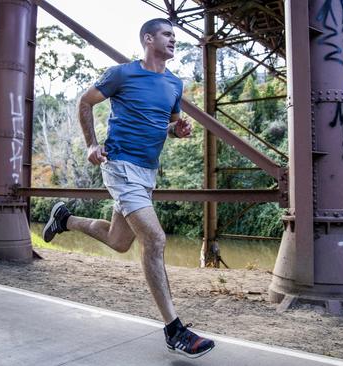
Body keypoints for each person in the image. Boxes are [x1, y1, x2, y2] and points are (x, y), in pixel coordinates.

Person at [42, 18, 215, 358]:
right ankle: (174, 330)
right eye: (167, 34)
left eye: (174, 36)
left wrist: (175, 131)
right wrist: (92, 145)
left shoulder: (174, 84)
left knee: (119, 242)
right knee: (156, 239)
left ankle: (65, 220)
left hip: (147, 173)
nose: (173, 40)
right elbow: (85, 102)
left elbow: (160, 123)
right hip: (120, 166)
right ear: (148, 39)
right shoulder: (121, 74)